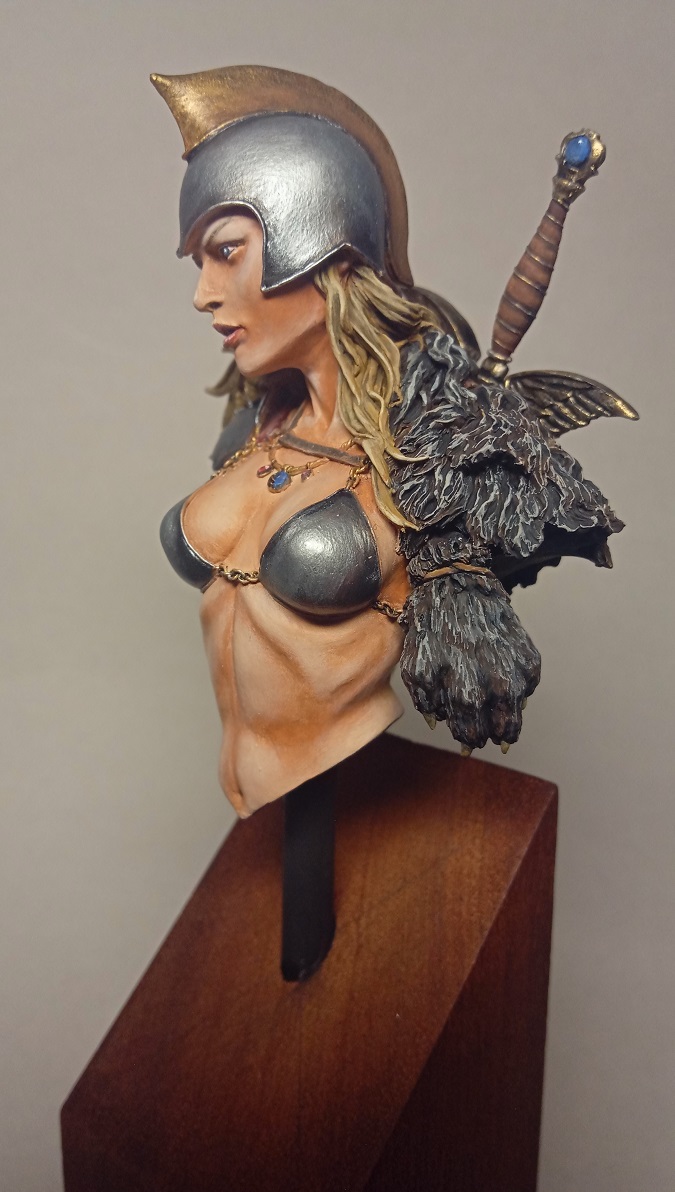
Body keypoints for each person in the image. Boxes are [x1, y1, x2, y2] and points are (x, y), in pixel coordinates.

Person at [153, 66, 624, 818]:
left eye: (227, 251)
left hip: (329, 752)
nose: (203, 293)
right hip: (256, 794)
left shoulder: (436, 457)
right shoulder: (257, 426)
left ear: (315, 242)